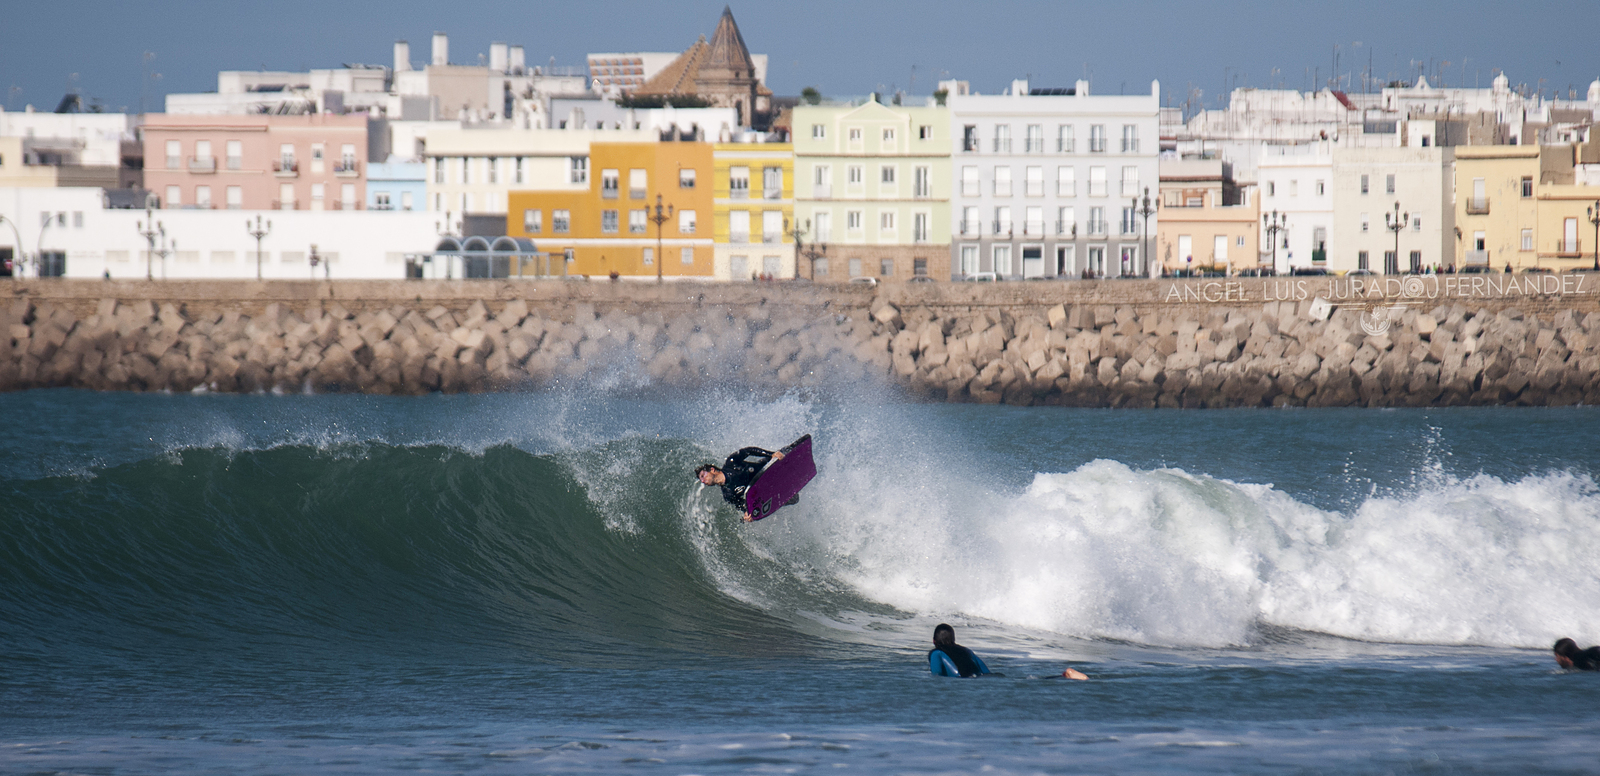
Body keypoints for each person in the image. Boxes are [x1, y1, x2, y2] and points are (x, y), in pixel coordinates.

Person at [695, 445, 786, 522]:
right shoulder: (728, 494)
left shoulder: (731, 463)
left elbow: (749, 451)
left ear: (712, 469)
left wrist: (771, 454)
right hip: (768, 487)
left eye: (703, 476)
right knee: (791, 499)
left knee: (785, 451)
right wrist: (747, 513)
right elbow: (743, 505)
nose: (702, 481)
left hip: (769, 465)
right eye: (701, 479)